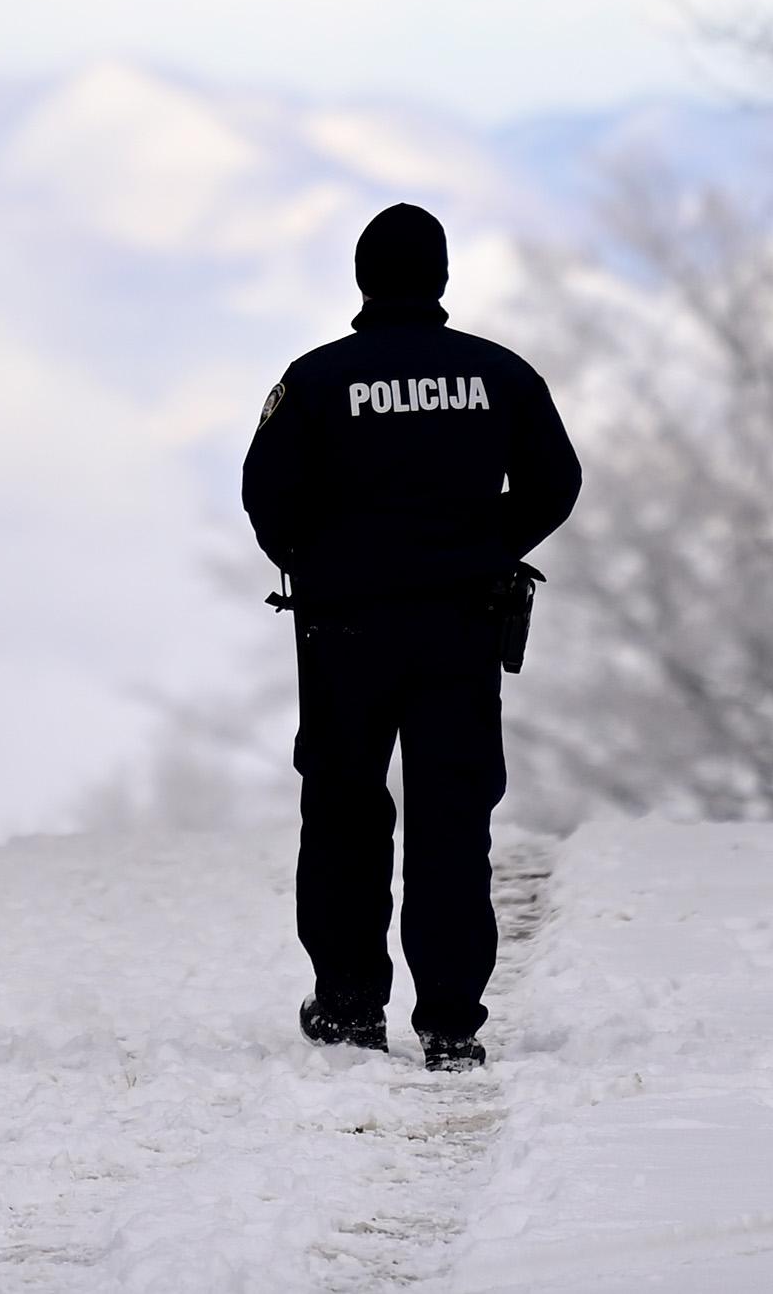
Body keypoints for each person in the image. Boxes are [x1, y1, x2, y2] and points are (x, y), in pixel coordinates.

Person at [240, 201, 580, 1072]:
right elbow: (556, 482)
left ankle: (350, 1008)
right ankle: (451, 1022)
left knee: (344, 811)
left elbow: (266, 495)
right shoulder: (498, 374)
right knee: (452, 819)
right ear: (441, 277)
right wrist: (484, 547)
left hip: (345, 629)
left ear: (362, 279)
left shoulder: (317, 379)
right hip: (462, 625)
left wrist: (321, 562)